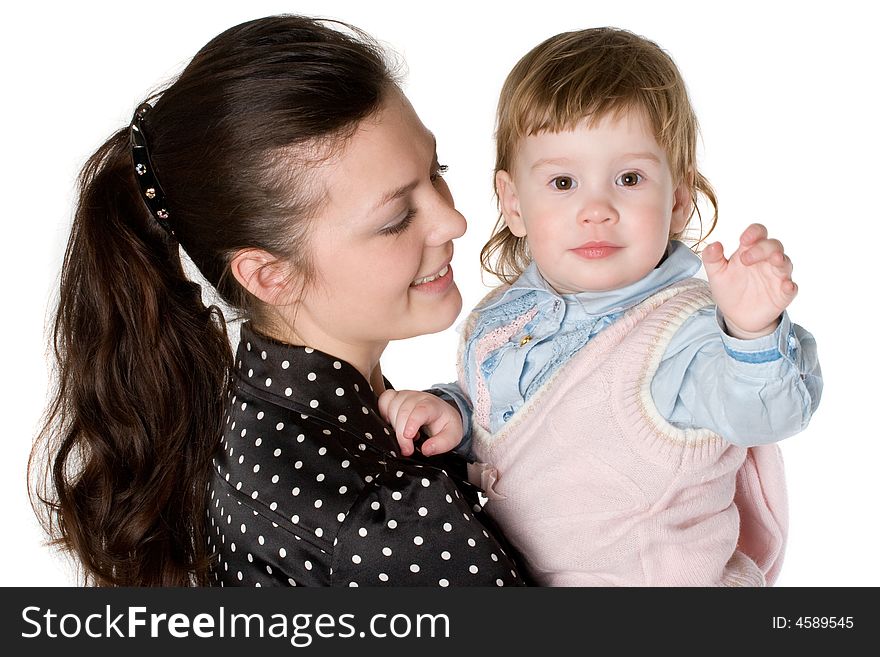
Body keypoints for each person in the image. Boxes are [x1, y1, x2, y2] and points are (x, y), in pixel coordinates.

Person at [29, 15, 525, 587]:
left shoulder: (242, 418)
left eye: (435, 172)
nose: (453, 220)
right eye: (395, 220)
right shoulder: (383, 518)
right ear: (269, 275)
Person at [379, 27, 823, 586]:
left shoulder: (688, 334)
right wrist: (454, 413)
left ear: (679, 200)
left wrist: (752, 332)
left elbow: (763, 416)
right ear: (514, 203)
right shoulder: (507, 317)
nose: (597, 209)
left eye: (629, 179)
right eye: (563, 181)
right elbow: (514, 422)